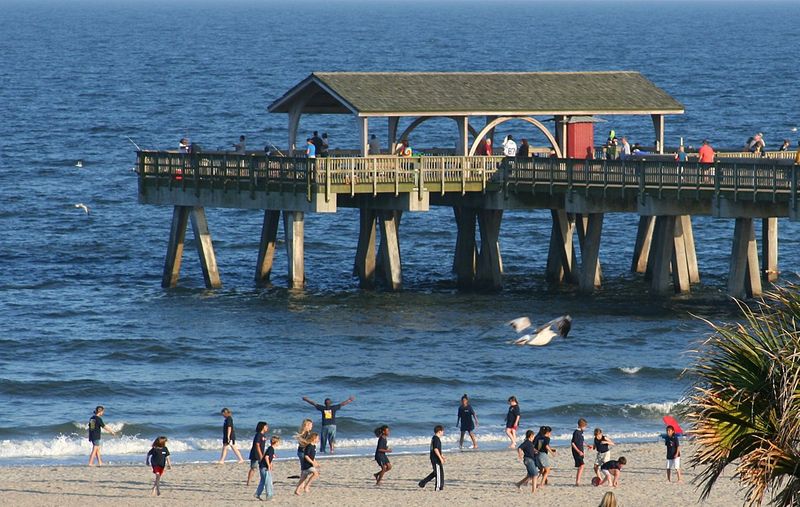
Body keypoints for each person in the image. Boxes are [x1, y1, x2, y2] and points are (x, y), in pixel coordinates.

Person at [418, 425, 445, 491]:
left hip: (435, 457)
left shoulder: (435, 438)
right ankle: (438, 487)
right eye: (442, 431)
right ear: (439, 431)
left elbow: (438, 449)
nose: (443, 433)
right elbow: (435, 449)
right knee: (438, 473)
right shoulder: (436, 438)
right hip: (435, 458)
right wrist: (440, 458)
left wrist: (442, 456)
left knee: (436, 472)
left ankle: (422, 483)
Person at [294, 431, 320, 495]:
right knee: (316, 473)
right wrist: (312, 462)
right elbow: (306, 456)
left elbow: (312, 457)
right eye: (317, 438)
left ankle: (297, 490)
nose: (318, 439)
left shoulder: (314, 446)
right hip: (307, 464)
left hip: (310, 464)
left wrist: (316, 463)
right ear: (314, 438)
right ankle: (306, 486)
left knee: (303, 478)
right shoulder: (309, 446)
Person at [255, 435, 280, 501]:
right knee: (268, 482)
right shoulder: (271, 449)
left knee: (263, 481)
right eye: (278, 442)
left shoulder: (270, 449)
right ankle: (269, 496)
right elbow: (266, 457)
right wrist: (268, 465)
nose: (279, 444)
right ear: (276, 442)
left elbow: (269, 457)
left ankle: (257, 494)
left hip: (262, 466)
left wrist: (271, 462)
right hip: (264, 467)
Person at [515, 429, 539, 494]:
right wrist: (520, 454)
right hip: (528, 460)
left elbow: (530, 449)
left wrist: (535, 451)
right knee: (535, 475)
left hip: (530, 459)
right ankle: (533, 491)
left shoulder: (530, 443)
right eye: (533, 436)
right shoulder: (527, 442)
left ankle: (518, 484)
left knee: (530, 475)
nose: (534, 438)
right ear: (531, 436)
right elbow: (519, 448)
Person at [571, 418, 592, 486]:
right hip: (577, 451)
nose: (585, 428)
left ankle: (577, 481)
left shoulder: (581, 432)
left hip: (580, 451)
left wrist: (587, 445)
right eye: (585, 426)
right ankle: (577, 481)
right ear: (581, 426)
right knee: (582, 465)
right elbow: (573, 443)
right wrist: (578, 451)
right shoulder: (576, 432)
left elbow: (581, 442)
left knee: (581, 466)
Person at [247, 421, 269, 486]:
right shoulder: (258, 435)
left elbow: (262, 446)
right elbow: (257, 445)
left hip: (261, 454)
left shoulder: (263, 435)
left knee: (263, 468)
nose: (267, 427)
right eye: (266, 426)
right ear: (262, 427)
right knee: (253, 468)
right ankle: (248, 481)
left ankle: (264, 480)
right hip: (255, 454)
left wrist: (264, 454)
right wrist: (260, 455)